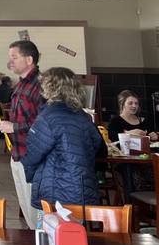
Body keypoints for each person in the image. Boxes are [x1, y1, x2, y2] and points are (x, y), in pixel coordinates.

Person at [21, 67, 103, 218]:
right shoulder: (83, 116)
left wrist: (32, 177)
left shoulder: (47, 117)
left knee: (49, 236)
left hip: (54, 192)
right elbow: (101, 149)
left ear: (49, 87)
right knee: (76, 237)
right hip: (82, 189)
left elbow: (32, 155)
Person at [0, 40, 43, 229]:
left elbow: (45, 123)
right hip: (17, 154)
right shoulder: (21, 84)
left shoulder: (40, 85)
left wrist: (14, 127)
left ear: (29, 59)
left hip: (31, 156)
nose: (11, 62)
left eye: (14, 57)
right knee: (26, 208)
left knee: (36, 209)